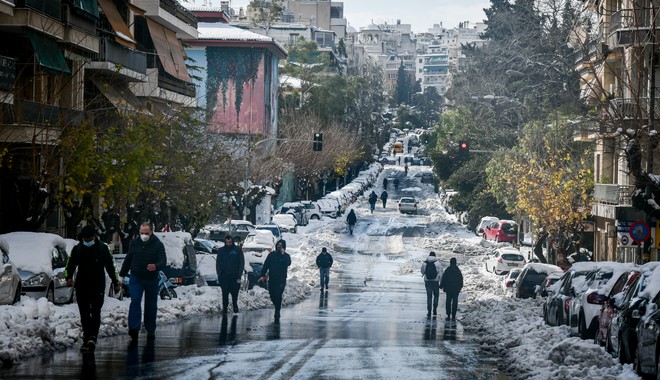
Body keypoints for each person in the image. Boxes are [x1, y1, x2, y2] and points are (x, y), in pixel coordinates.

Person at [66, 225, 122, 353]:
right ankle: (87, 337)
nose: (87, 241)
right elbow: (70, 264)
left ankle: (93, 337)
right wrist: (68, 277)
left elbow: (110, 266)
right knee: (84, 313)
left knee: (95, 312)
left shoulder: (102, 249)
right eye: (85, 239)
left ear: (94, 237)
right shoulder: (78, 249)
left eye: (89, 239)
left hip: (98, 286)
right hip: (82, 286)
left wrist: (115, 281)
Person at [119, 222, 167, 342]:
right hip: (136, 277)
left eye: (146, 233)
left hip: (151, 279)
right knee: (135, 301)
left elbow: (163, 261)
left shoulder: (158, 244)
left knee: (151, 304)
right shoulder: (134, 243)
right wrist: (121, 275)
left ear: (151, 232)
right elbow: (128, 259)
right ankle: (134, 329)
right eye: (142, 233)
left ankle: (150, 329)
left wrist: (155, 266)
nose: (144, 235)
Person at [260, 240, 292, 324]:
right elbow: (266, 265)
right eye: (278, 244)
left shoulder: (286, 256)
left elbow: (288, 263)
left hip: (281, 279)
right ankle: (276, 304)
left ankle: (277, 310)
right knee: (272, 294)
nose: (279, 246)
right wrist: (262, 274)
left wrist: (282, 254)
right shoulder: (271, 255)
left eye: (281, 245)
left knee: (278, 294)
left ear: (284, 247)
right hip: (272, 278)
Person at [216, 234, 245, 314]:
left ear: (232, 241)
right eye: (227, 242)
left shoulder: (237, 250)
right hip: (224, 276)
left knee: (235, 293)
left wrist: (239, 273)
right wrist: (219, 273)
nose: (229, 244)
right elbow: (218, 263)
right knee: (224, 293)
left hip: (235, 276)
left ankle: (235, 305)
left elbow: (241, 263)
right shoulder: (221, 250)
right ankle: (225, 308)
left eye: (230, 242)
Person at [439, 257, 463, 321]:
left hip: (448, 289)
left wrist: (441, 286)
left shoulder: (448, 269)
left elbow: (444, 278)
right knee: (455, 302)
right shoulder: (458, 270)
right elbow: (461, 280)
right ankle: (454, 314)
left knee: (448, 301)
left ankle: (448, 313)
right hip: (456, 289)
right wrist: (460, 287)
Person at [420, 252, 443, 318]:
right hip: (435, 282)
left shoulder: (425, 263)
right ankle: (435, 309)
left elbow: (422, 271)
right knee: (436, 296)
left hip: (427, 281)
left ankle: (429, 311)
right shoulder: (438, 263)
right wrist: (441, 283)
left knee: (429, 297)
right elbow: (441, 274)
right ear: (435, 256)